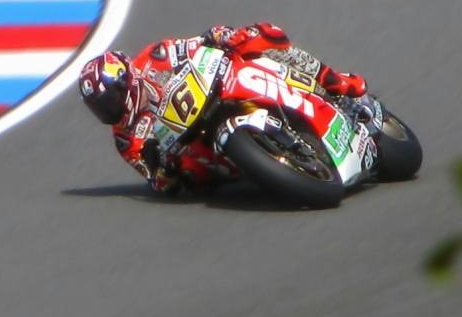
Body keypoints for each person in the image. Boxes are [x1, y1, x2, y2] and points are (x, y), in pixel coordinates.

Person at [78, 23, 368, 194]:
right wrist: (164, 170)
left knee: (261, 47)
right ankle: (275, 162)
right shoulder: (125, 138)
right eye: (99, 108)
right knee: (196, 178)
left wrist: (220, 36)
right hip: (199, 145)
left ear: (127, 79)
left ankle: (337, 83)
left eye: (109, 100)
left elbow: (196, 45)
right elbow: (157, 181)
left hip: (217, 90)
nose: (108, 110)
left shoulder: (156, 57)